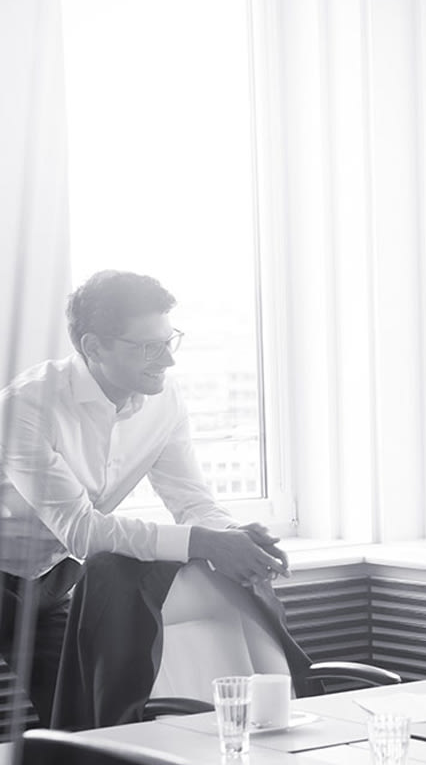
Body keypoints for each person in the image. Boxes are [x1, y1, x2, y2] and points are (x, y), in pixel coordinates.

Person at [0, 271, 299, 728]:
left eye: (169, 340)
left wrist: (231, 535)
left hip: (56, 577)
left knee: (87, 726)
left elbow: (193, 501)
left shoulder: (165, 401)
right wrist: (204, 542)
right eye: (147, 347)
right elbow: (83, 531)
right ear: (93, 347)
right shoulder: (26, 406)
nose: (168, 360)